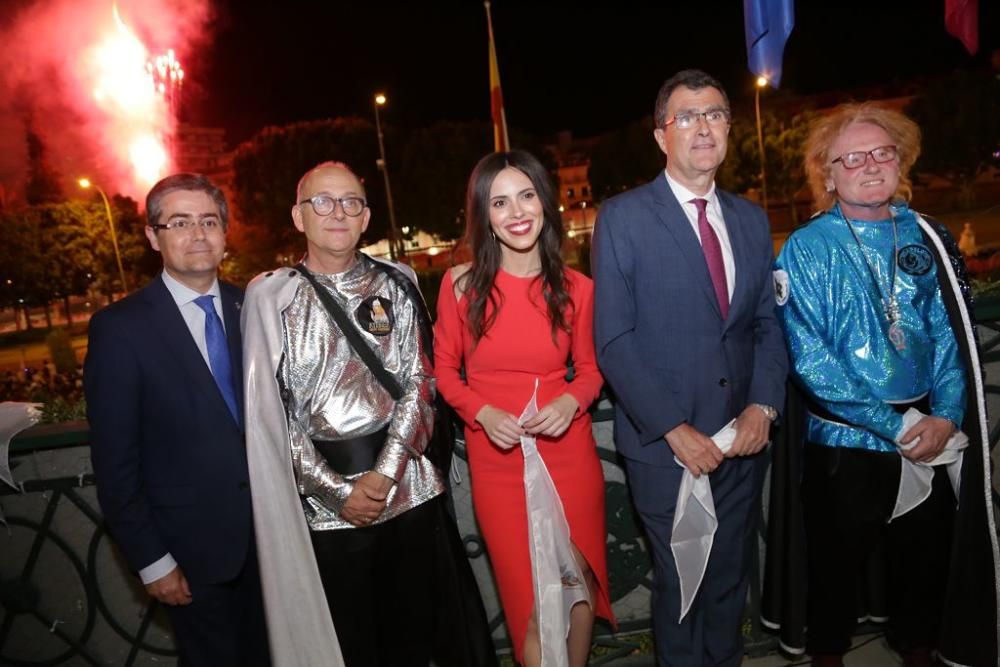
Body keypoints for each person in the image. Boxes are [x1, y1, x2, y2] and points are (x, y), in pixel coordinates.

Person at [768, 103, 999, 667]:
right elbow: (809, 356)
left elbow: (951, 335)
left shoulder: (930, 235)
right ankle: (828, 656)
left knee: (923, 564)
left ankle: (918, 650)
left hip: (930, 431)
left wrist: (944, 414)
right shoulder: (807, 248)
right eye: (853, 158)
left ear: (901, 161)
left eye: (882, 153)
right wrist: (895, 425)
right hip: (847, 443)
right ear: (827, 174)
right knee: (835, 571)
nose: (870, 166)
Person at [241, 161, 494, 667]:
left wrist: (384, 474)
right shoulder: (272, 297)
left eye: (351, 202)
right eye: (323, 202)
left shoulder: (395, 284)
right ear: (298, 216)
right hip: (327, 512)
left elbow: (420, 382)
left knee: (427, 637)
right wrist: (339, 493)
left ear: (366, 216)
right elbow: (272, 418)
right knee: (354, 645)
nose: (338, 213)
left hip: (410, 492)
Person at [591, 69, 788, 666]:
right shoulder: (622, 218)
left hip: (738, 446)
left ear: (729, 127)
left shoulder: (752, 220)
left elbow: (765, 326)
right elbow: (614, 340)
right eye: (686, 116)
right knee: (680, 590)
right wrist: (675, 429)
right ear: (661, 136)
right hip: (665, 451)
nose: (703, 127)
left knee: (729, 587)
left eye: (716, 114)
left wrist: (763, 406)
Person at [434, 149, 615, 666]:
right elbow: (444, 370)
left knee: (577, 586)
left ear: (544, 203)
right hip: (499, 464)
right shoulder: (460, 286)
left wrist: (570, 401)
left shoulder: (579, 289)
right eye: (499, 202)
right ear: (484, 216)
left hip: (569, 454)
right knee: (532, 603)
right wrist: (481, 413)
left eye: (526, 195)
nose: (516, 212)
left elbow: (593, 370)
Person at [84, 173, 268, 666]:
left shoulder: (254, 308)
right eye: (180, 222)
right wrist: (151, 561)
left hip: (274, 542)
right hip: (191, 554)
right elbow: (115, 462)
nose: (198, 234)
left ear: (226, 233)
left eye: (209, 221)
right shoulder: (120, 330)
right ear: (153, 236)